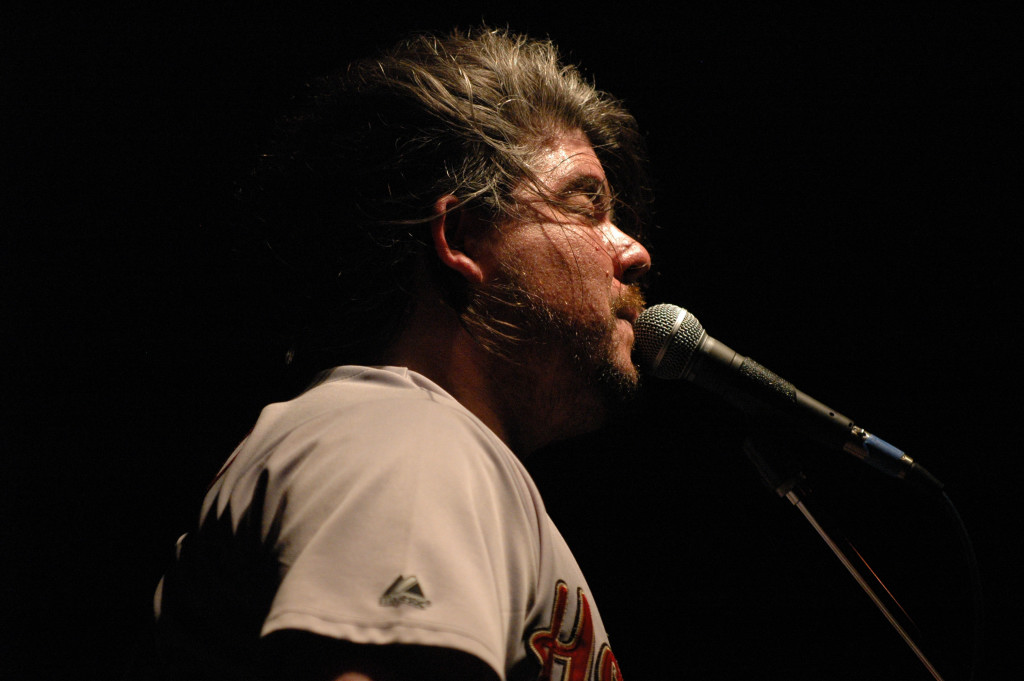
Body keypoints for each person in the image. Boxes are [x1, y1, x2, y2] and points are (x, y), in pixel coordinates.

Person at [152, 26, 653, 681]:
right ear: (463, 237)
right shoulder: (407, 437)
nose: (635, 252)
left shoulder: (408, 440)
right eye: (587, 207)